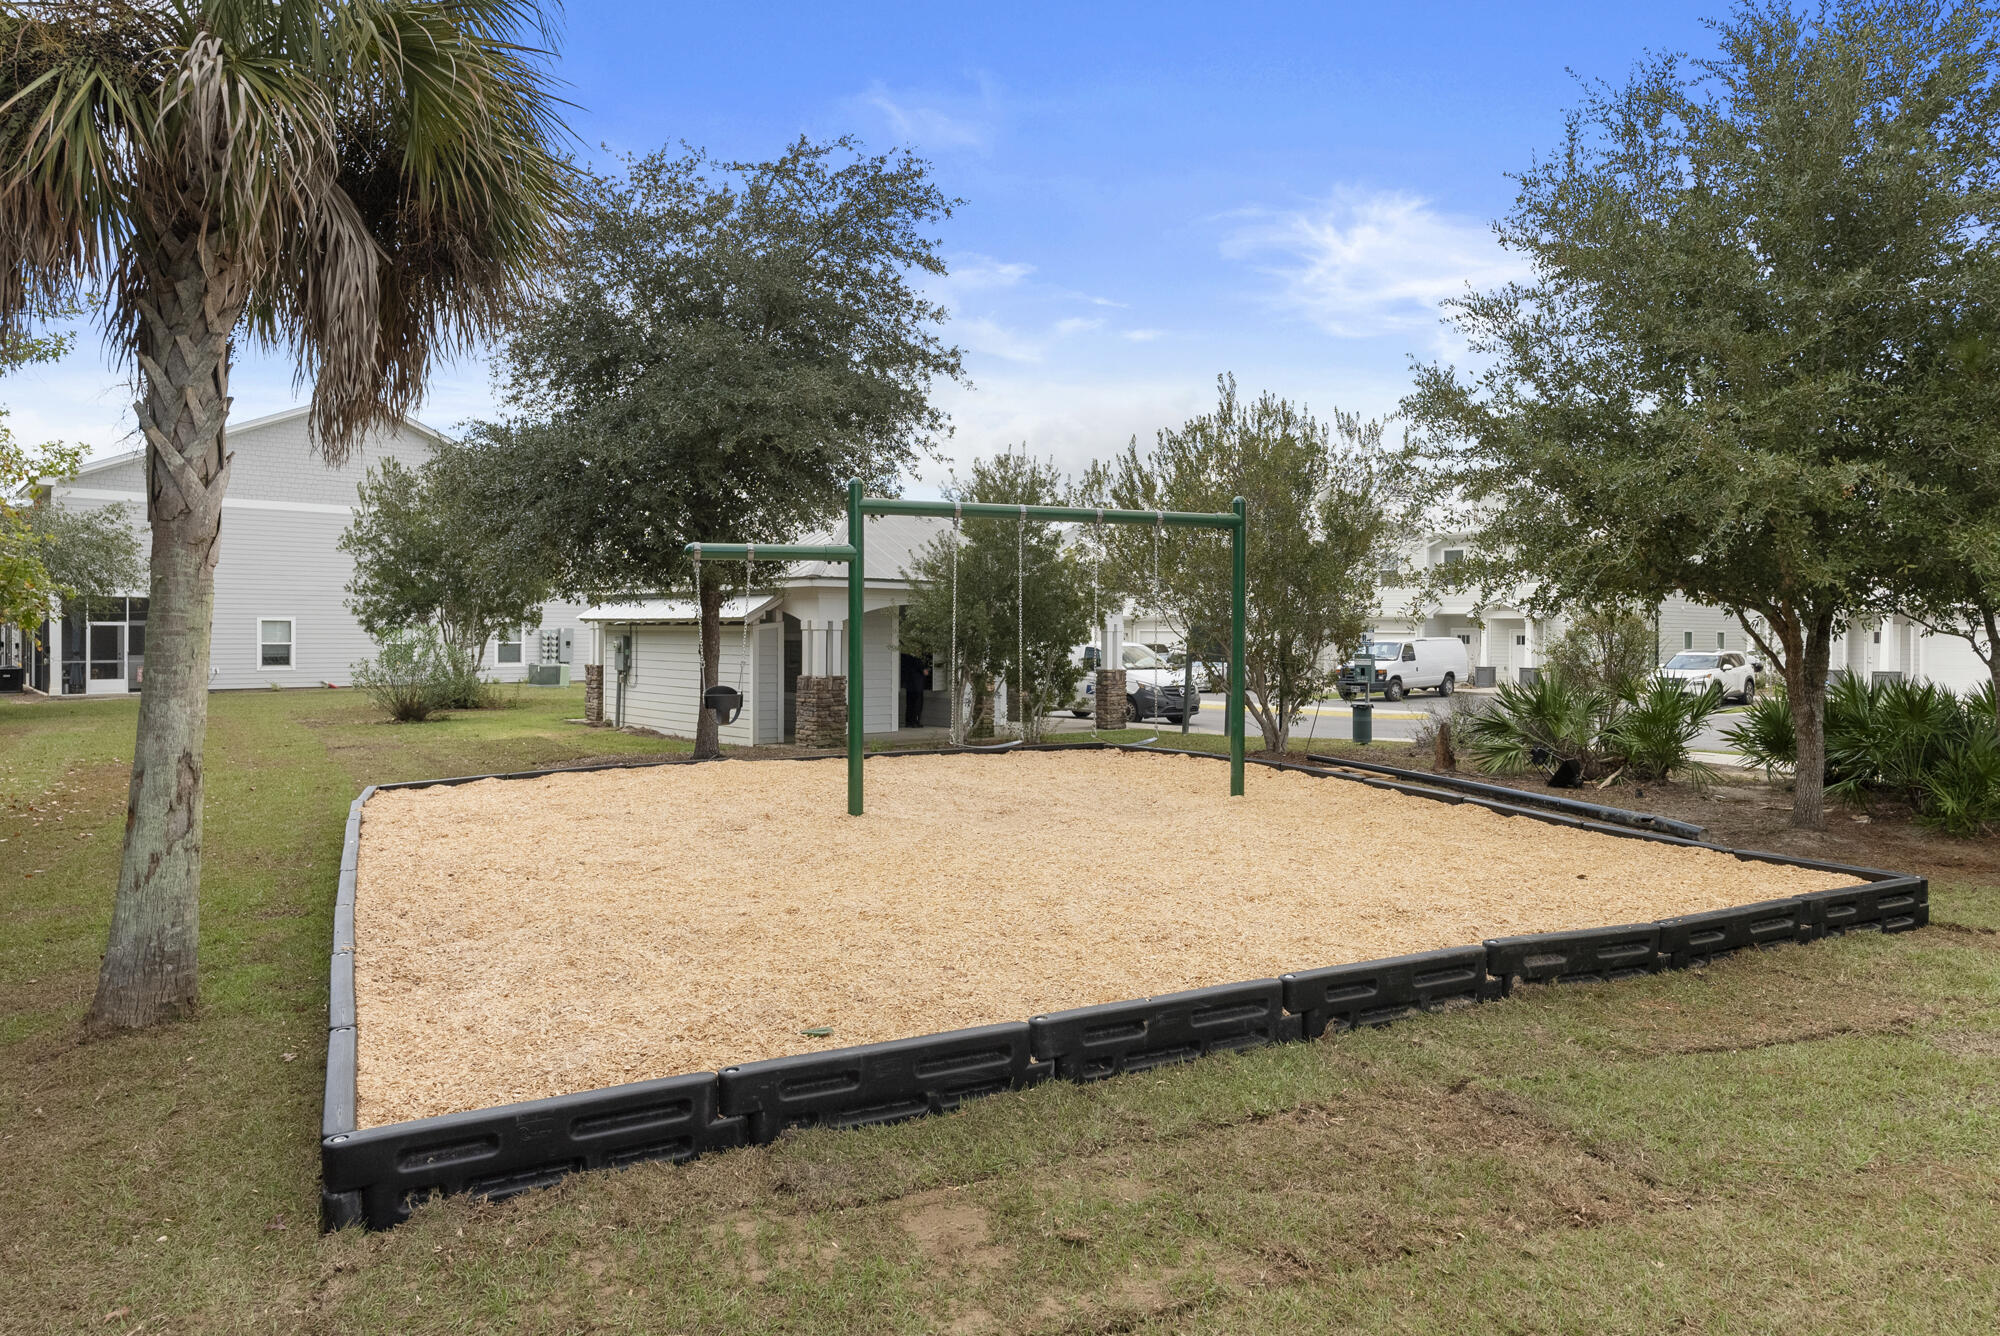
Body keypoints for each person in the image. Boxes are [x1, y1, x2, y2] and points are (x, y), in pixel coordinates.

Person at [900, 652, 932, 727]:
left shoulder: (905, 658)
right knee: (917, 705)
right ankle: (915, 722)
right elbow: (925, 672)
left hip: (909, 686)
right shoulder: (918, 660)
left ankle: (908, 722)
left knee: (909, 705)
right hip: (918, 686)